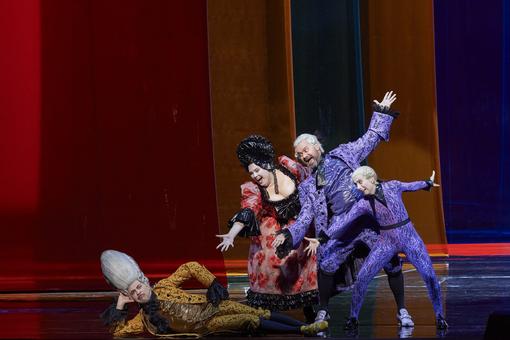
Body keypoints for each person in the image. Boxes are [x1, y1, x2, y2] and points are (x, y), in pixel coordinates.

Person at [273, 91, 415, 328]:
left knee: (391, 260)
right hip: (340, 227)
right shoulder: (308, 185)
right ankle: (323, 311)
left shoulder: (344, 155)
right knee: (327, 262)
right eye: (298, 154)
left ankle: (402, 310)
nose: (302, 155)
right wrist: (290, 235)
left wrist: (381, 113)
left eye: (306, 150)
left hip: (367, 219)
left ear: (318, 147)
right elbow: (306, 214)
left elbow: (369, 138)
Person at [305, 166, 448, 330]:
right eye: (356, 184)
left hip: (410, 237)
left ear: (371, 178)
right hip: (386, 241)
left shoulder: (392, 186)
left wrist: (427, 183)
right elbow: (343, 222)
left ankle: (439, 316)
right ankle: (353, 318)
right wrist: (322, 238)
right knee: (363, 276)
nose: (358, 187)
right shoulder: (363, 204)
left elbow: (410, 186)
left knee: (429, 275)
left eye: (360, 182)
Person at [99, 250, 328, 337]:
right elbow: (119, 333)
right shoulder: (144, 320)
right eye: (133, 292)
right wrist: (120, 305)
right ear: (129, 294)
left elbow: (190, 265)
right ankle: (302, 331)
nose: (139, 292)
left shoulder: (165, 287)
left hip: (212, 307)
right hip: (207, 327)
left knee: (258, 311)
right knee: (247, 319)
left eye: (139, 286)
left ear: (144, 280)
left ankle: (303, 328)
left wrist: (211, 283)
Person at [216, 135, 317, 322]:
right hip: (273, 222)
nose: (254, 176)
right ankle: (265, 306)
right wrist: (231, 234)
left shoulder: (289, 167)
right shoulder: (253, 189)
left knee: (304, 247)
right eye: (251, 173)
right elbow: (248, 210)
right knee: (269, 250)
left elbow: (311, 182)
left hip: (298, 220)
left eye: (256, 170)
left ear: (265, 164)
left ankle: (309, 306)